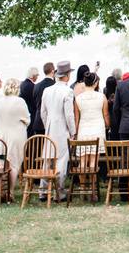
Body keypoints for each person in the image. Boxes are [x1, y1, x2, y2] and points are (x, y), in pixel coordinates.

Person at [41, 61, 77, 201]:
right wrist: (73, 131)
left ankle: (43, 190)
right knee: (61, 161)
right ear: (67, 75)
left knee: (48, 159)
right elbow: (69, 114)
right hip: (62, 129)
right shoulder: (68, 91)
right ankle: (59, 191)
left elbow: (43, 112)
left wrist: (47, 125)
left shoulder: (47, 90)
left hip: (49, 128)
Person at [74, 71, 109, 198]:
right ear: (95, 83)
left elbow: (76, 119)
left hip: (83, 130)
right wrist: (108, 125)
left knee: (82, 161)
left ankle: (83, 190)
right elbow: (105, 115)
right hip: (97, 130)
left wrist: (75, 133)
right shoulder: (102, 97)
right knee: (94, 162)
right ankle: (93, 191)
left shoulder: (78, 98)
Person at [0, 77, 30, 195]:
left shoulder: (0, 101)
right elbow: (27, 119)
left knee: (2, 162)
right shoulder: (20, 101)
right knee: (14, 163)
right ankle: (10, 192)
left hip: (2, 134)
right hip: (16, 135)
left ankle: (1, 189)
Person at [31, 62, 56, 135]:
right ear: (52, 71)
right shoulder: (55, 85)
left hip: (38, 121)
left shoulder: (36, 86)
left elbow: (35, 102)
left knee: (39, 146)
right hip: (51, 122)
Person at [19, 67, 39, 137]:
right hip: (31, 114)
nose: (37, 77)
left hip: (22, 113)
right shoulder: (33, 86)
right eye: (37, 75)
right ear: (33, 76)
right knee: (30, 135)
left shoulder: (21, 84)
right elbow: (34, 102)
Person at [103, 75, 119, 140]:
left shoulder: (105, 90)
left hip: (107, 113)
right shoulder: (118, 90)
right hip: (116, 115)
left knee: (107, 135)